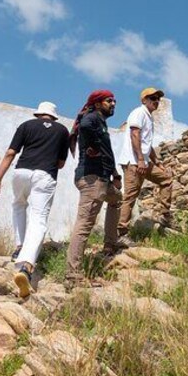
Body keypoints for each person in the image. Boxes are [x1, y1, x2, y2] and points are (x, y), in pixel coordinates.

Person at [0, 101, 70, 298]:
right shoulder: (62, 131)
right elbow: (60, 164)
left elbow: (10, 153)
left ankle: (19, 247)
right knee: (38, 218)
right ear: (54, 116)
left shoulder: (26, 125)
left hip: (21, 172)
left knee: (18, 205)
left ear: (38, 114)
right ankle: (26, 265)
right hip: (45, 175)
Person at [65, 89, 124, 284]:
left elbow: (107, 151)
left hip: (103, 179)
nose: (113, 104)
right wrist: (93, 146)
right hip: (92, 179)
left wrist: (115, 174)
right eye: (109, 101)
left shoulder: (101, 122)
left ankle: (110, 244)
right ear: (98, 104)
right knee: (84, 225)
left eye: (114, 101)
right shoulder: (91, 119)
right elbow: (85, 126)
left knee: (117, 199)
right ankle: (73, 275)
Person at [117, 87, 174, 239]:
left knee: (166, 180)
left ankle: (164, 215)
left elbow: (147, 145)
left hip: (144, 162)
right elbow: (134, 134)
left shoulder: (149, 117)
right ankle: (121, 233)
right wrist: (141, 160)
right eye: (153, 98)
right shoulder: (139, 113)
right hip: (133, 162)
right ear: (144, 100)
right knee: (130, 196)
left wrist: (158, 163)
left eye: (158, 99)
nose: (156, 101)